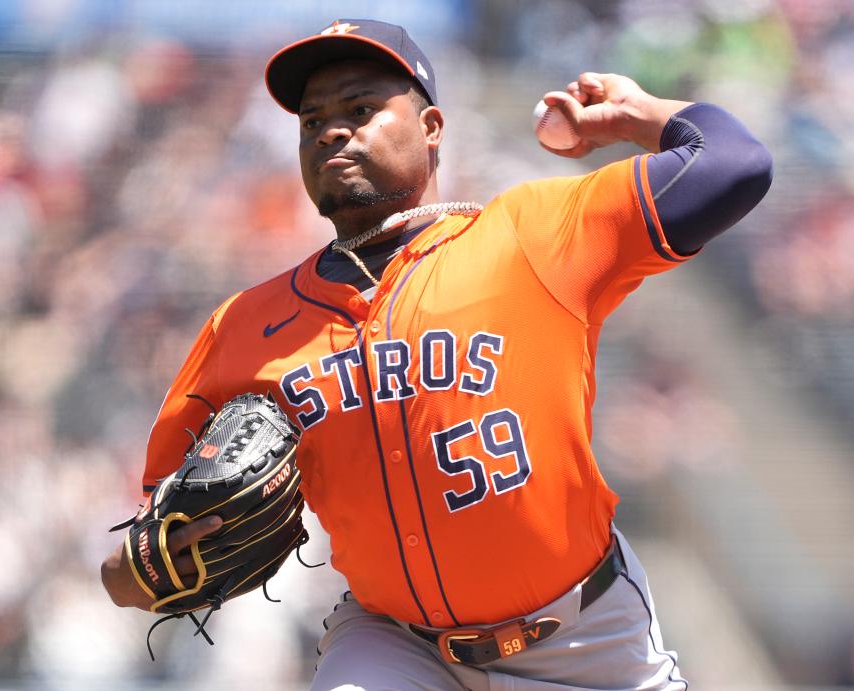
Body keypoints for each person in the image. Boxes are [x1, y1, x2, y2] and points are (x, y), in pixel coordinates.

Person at [101, 18, 772, 690]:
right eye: (312, 121)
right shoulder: (245, 325)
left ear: (432, 129)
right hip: (395, 646)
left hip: (584, 644)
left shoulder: (532, 236)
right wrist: (142, 570)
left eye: (360, 109)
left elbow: (735, 164)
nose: (333, 130)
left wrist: (636, 115)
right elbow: (140, 552)